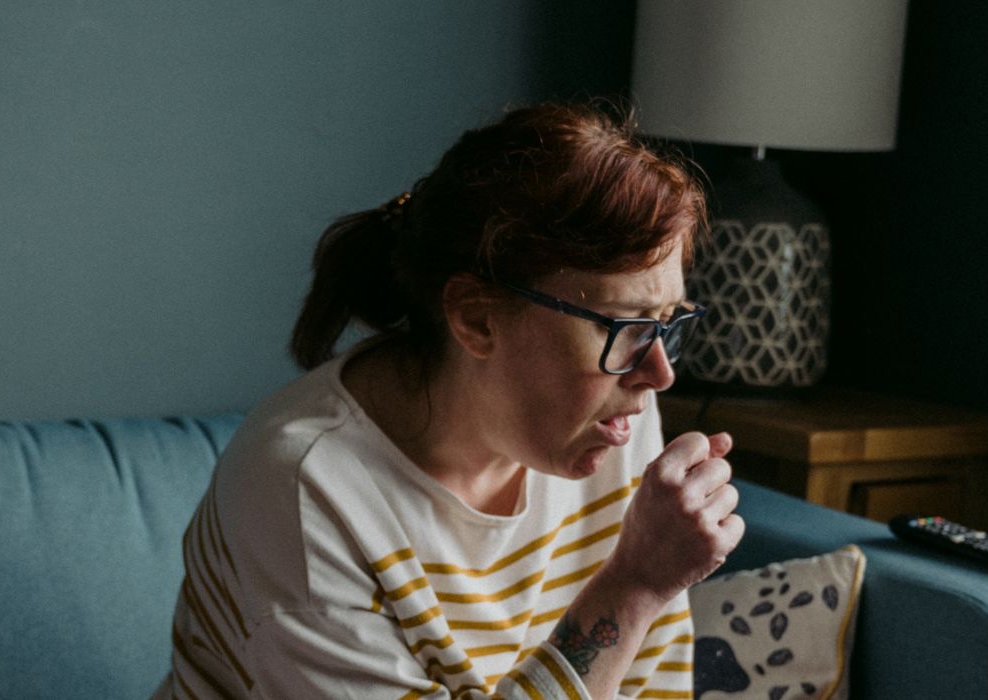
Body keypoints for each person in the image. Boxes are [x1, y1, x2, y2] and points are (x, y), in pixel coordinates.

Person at [154, 102, 743, 700]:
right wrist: (636, 586)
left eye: (666, 323)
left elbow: (649, 687)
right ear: (476, 318)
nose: (659, 372)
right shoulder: (305, 490)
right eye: (627, 325)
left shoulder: (612, 416)